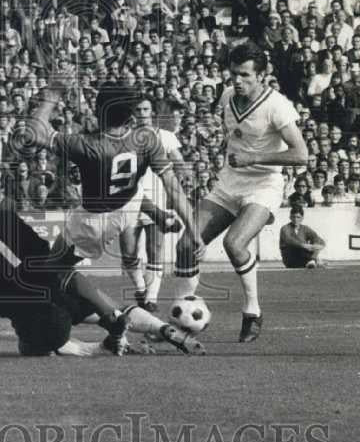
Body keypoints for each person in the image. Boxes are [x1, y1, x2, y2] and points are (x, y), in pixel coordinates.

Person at [0, 177, 205, 356]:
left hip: (33, 318)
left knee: (30, 347)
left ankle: (104, 348)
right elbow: (45, 257)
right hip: (56, 286)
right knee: (102, 309)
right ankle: (161, 328)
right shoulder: (5, 217)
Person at [24, 78, 205, 307]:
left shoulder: (86, 145)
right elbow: (173, 187)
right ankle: (157, 214)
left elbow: (34, 131)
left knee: (52, 271)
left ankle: (114, 317)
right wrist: (193, 229)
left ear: (99, 112)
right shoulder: (147, 139)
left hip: (93, 219)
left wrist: (54, 90)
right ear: (130, 115)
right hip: (126, 207)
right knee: (134, 190)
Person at [175, 42, 308, 342]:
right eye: (234, 74)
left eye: (246, 75)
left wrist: (254, 158)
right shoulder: (227, 96)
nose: (238, 81)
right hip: (229, 183)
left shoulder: (278, 106)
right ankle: (186, 314)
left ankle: (252, 312)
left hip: (264, 184)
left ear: (262, 75)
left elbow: (302, 155)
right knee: (185, 245)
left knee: (235, 244)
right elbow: (231, 130)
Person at [118, 97, 186, 312]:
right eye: (138, 109)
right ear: (133, 113)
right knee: (128, 253)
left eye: (146, 109)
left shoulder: (164, 136)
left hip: (156, 199)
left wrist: (178, 180)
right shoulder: (124, 137)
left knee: (155, 248)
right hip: (129, 200)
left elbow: (180, 162)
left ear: (153, 112)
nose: (142, 113)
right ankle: (140, 289)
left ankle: (151, 299)